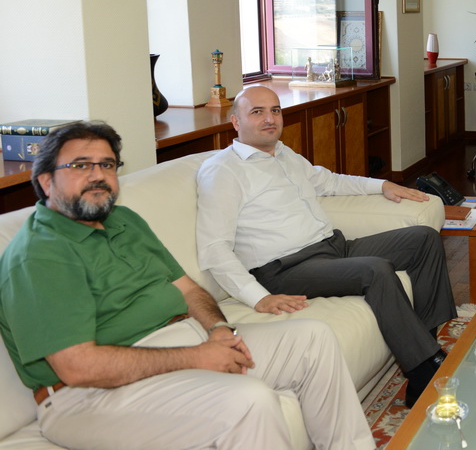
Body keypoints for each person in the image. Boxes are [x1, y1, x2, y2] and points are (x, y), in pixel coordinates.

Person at [0, 121, 373, 450]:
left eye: (107, 165)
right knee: (248, 400)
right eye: (81, 165)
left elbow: (188, 289)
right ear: (46, 180)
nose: (97, 175)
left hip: (180, 345)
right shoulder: (39, 255)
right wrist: (198, 357)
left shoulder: (124, 221)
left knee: (312, 338)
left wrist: (220, 330)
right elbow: (79, 367)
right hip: (88, 398)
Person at [196, 85, 455, 406]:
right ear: (236, 121)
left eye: (275, 110)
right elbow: (214, 247)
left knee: (423, 238)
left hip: (332, 248)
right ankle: (426, 370)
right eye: (257, 112)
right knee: (375, 270)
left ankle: (425, 350)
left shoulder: (283, 154)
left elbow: (329, 181)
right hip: (285, 269)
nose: (270, 119)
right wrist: (257, 297)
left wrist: (383, 185)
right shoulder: (223, 170)